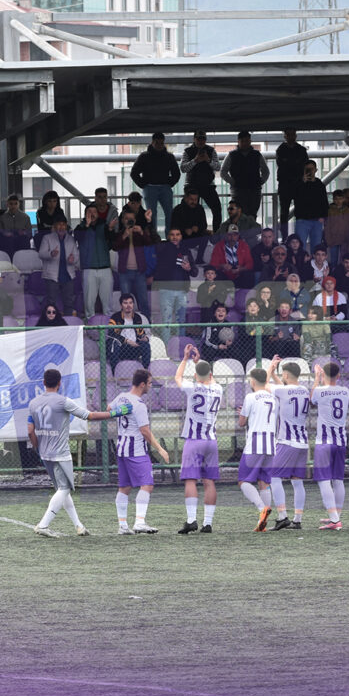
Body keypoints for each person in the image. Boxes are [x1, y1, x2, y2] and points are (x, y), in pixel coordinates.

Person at [28, 368, 131, 537]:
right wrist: (115, 413)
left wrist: (37, 447)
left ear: (43, 383)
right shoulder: (63, 401)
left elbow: (30, 430)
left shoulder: (33, 403)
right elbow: (89, 416)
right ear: (60, 383)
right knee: (64, 488)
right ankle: (43, 525)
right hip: (60, 453)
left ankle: (79, 526)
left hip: (45, 452)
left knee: (62, 489)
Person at [108, 368, 170, 535]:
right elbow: (145, 431)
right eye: (149, 383)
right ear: (142, 384)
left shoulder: (121, 397)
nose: (150, 387)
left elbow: (109, 409)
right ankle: (139, 523)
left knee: (124, 487)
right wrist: (161, 449)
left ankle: (122, 526)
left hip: (122, 448)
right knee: (147, 485)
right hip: (136, 450)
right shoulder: (139, 405)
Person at [175, 345, 222, 533]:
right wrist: (200, 362)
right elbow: (212, 380)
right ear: (210, 374)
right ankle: (208, 523)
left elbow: (177, 378)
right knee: (209, 481)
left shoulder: (192, 388)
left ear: (195, 376)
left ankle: (191, 519)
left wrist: (186, 359)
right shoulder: (218, 389)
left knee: (190, 480)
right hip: (211, 440)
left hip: (194, 440)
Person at [265, 357, 310, 529]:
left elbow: (266, 385)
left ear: (285, 374)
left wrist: (270, 369)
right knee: (297, 481)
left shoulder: (282, 391)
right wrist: (278, 374)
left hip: (287, 441)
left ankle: (282, 515)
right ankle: (297, 519)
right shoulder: (304, 390)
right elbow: (284, 388)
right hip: (302, 442)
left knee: (273, 477)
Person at [310, 362, 349, 530]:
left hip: (324, 442)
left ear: (324, 375)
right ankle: (335, 516)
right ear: (339, 375)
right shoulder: (346, 391)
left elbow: (312, 401)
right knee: (338, 479)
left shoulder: (319, 390)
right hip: (341, 441)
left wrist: (317, 379)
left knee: (323, 480)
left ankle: (334, 520)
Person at [238, 368, 277, 532]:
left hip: (255, 443)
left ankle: (262, 507)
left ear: (253, 381)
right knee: (264, 482)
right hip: (270, 443)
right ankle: (264, 519)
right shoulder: (274, 398)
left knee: (243, 481)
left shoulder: (250, 397)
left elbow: (241, 422)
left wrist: (242, 413)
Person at [152, 227, 197, 342]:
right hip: (166, 290)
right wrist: (148, 222)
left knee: (181, 321)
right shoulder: (163, 248)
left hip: (182, 291)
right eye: (172, 235)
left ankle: (179, 347)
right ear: (168, 237)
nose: (175, 237)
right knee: (166, 321)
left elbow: (195, 272)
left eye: (177, 234)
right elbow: (153, 242)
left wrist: (189, 268)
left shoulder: (185, 250)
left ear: (181, 236)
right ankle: (167, 349)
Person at [131, 132, 181, 233]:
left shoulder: (169, 157)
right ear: (152, 142)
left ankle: (170, 238)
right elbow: (134, 173)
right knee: (151, 215)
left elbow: (176, 173)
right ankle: (154, 239)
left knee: (169, 214)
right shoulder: (144, 157)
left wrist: (168, 184)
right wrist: (143, 185)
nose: (159, 145)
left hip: (164, 188)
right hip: (150, 188)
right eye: (157, 143)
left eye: (161, 143)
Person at [114, 209, 156, 318]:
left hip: (139, 272)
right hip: (124, 272)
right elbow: (114, 247)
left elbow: (150, 242)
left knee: (143, 301)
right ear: (123, 220)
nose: (129, 221)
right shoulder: (120, 233)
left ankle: (147, 328)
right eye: (127, 219)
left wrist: (142, 232)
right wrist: (124, 235)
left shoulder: (139, 232)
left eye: (131, 219)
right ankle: (125, 325)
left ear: (135, 220)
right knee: (125, 302)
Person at [221, 131, 269, 219]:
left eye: (246, 141)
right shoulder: (232, 155)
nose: (244, 143)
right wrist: (234, 182)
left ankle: (249, 233)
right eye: (242, 141)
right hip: (238, 191)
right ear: (238, 141)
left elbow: (266, 171)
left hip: (253, 190)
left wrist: (259, 182)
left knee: (252, 215)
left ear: (250, 141)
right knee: (238, 216)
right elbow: (223, 172)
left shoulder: (257, 155)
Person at [181, 131, 222, 230]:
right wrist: (195, 160)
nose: (201, 141)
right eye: (198, 138)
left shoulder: (211, 151)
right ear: (194, 139)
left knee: (217, 209)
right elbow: (183, 168)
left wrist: (208, 160)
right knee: (190, 210)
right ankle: (192, 235)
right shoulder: (187, 151)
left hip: (208, 185)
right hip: (192, 185)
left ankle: (216, 235)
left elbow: (218, 167)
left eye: (203, 139)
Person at [37, 219, 79, 317]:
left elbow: (77, 256)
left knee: (69, 302)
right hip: (52, 275)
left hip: (68, 275)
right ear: (55, 226)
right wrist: (50, 253)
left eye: (63, 224)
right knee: (51, 302)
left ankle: (68, 324)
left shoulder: (71, 239)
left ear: (66, 226)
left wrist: (73, 259)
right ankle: (52, 325)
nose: (61, 227)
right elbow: (41, 254)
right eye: (59, 224)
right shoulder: (47, 238)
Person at [106, 293, 150, 373]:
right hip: (121, 347)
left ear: (133, 304)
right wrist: (126, 341)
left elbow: (141, 332)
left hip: (134, 347)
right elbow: (111, 333)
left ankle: (145, 371)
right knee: (113, 343)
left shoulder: (137, 317)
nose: (128, 305)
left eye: (130, 303)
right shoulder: (115, 317)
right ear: (121, 305)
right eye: (125, 303)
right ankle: (114, 372)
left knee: (146, 345)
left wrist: (144, 338)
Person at [276, 130, 309, 235]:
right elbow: (283, 165)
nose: (291, 137)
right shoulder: (282, 150)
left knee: (299, 211)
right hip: (288, 185)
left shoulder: (283, 150)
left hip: (295, 184)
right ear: (285, 136)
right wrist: (297, 168)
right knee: (284, 212)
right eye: (288, 135)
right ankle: (285, 236)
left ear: (295, 136)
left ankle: (299, 235)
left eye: (292, 135)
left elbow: (305, 166)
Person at [292, 160, 328, 250]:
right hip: (302, 220)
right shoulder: (298, 183)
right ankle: (302, 263)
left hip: (317, 220)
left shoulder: (319, 184)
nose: (309, 171)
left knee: (316, 247)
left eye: (311, 169)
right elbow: (294, 196)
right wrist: (302, 182)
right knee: (300, 246)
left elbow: (324, 201)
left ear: (316, 170)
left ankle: (314, 264)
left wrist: (324, 217)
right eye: (307, 169)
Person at [170, 188, 210, 263]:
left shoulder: (200, 208)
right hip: (183, 237)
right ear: (186, 198)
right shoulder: (178, 209)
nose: (194, 202)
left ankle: (199, 258)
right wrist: (184, 231)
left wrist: (198, 228)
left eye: (195, 199)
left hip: (196, 236)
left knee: (206, 235)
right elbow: (173, 227)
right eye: (191, 199)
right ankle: (186, 259)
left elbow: (204, 225)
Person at [208, 224, 254, 288]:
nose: (232, 237)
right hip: (224, 275)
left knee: (248, 275)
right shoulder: (219, 246)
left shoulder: (244, 245)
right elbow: (213, 264)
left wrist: (241, 269)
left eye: (235, 235)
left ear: (238, 235)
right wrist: (222, 266)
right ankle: (220, 296)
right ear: (226, 235)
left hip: (239, 275)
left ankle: (245, 296)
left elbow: (250, 263)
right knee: (215, 276)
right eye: (230, 234)